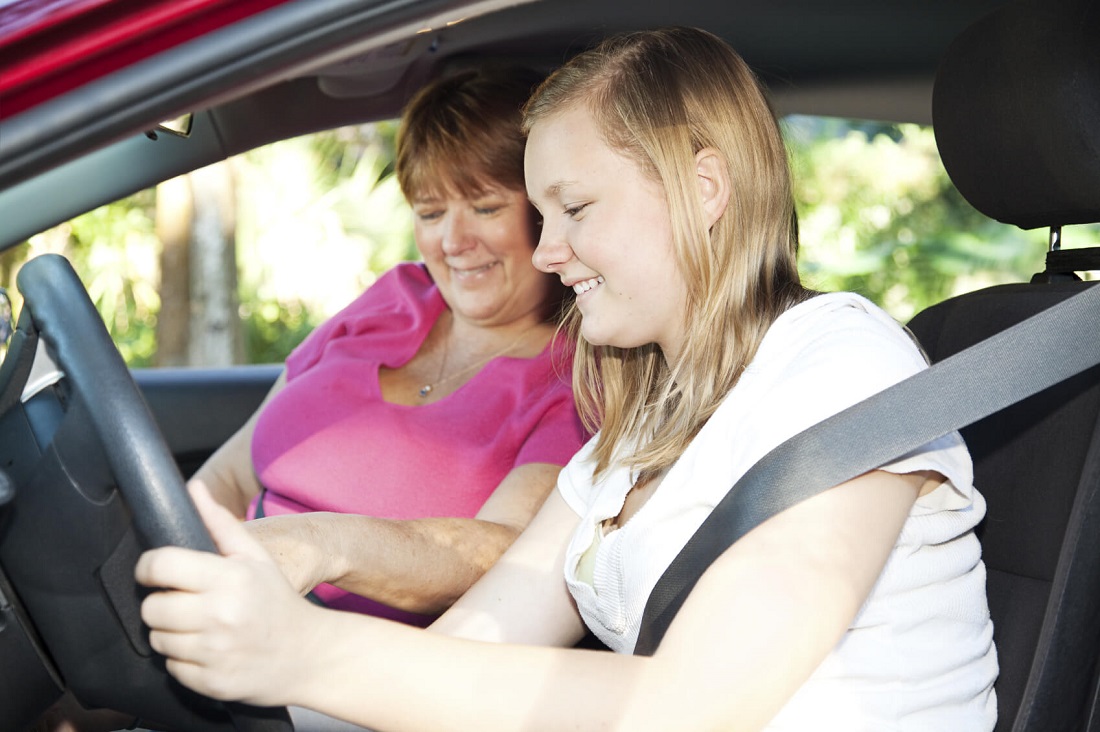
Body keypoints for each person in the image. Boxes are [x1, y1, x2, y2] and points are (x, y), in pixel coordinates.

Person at [136, 27, 998, 731]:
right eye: (542, 216)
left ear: (703, 187)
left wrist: (308, 653)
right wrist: (272, 633)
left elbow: (690, 707)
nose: (548, 253)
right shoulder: (633, 432)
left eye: (575, 210)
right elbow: (479, 644)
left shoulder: (844, 367)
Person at [191, 64, 588, 625]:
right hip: (225, 596)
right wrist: (176, 547)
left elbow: (504, 552)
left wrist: (315, 546)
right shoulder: (397, 296)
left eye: (486, 207)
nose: (453, 241)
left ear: (546, 209)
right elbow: (231, 473)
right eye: (430, 213)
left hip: (341, 663)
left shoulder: (576, 374)